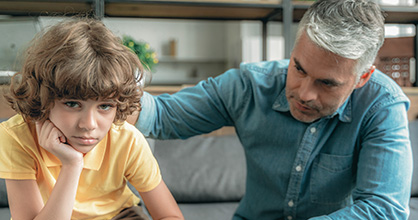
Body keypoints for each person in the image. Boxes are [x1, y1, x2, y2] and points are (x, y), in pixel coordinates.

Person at [131, 0, 413, 219]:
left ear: (362, 77)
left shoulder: (382, 105)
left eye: (327, 83)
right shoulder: (250, 86)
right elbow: (162, 115)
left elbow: (383, 209)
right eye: (299, 68)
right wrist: (104, 94)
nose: (304, 93)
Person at [0, 18, 184, 220]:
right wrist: (72, 165)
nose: (88, 125)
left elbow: (170, 216)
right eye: (72, 104)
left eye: (105, 106)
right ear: (44, 99)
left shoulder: (127, 140)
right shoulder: (16, 137)